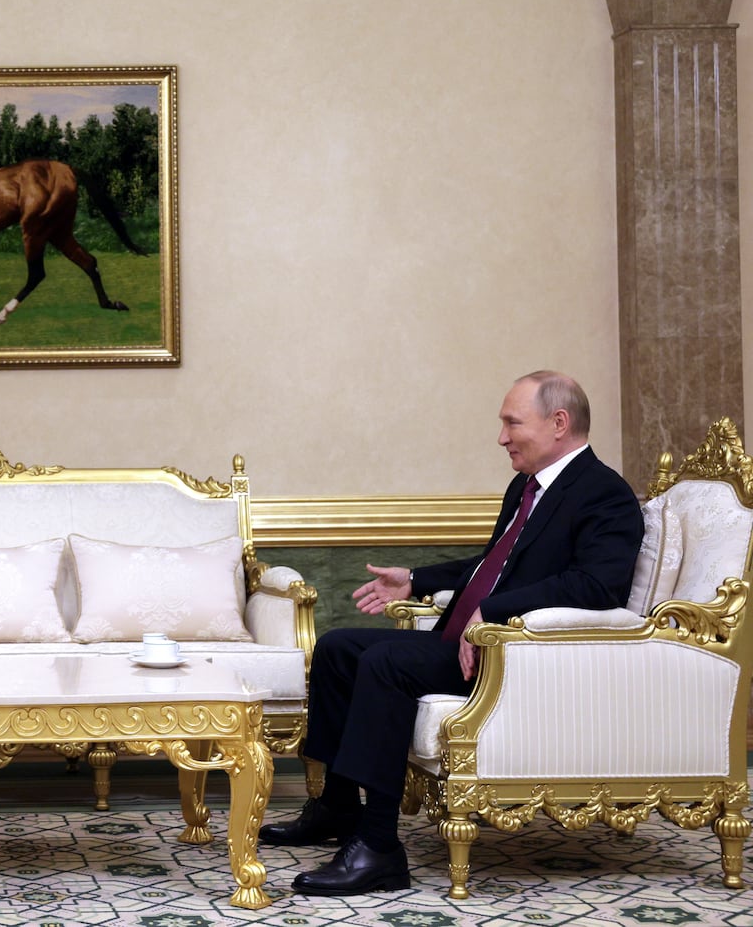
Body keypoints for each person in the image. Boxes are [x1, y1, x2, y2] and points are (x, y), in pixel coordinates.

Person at [261, 371, 643, 896]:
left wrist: (493, 611)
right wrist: (415, 579)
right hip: (468, 644)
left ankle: (378, 850)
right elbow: (494, 564)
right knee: (338, 647)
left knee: (385, 664)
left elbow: (598, 586)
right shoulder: (527, 487)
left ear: (559, 423)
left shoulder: (604, 494)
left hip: (515, 659)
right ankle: (338, 808)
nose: (502, 436)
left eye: (512, 422)